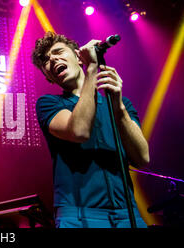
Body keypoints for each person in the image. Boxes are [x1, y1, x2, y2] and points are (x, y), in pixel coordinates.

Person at [32, 32, 150, 228]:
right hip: (79, 216)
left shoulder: (120, 105)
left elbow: (142, 158)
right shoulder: (49, 104)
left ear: (79, 57)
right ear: (48, 76)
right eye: (46, 61)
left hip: (128, 215)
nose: (52, 59)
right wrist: (93, 69)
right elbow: (79, 131)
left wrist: (118, 106)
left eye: (58, 52)